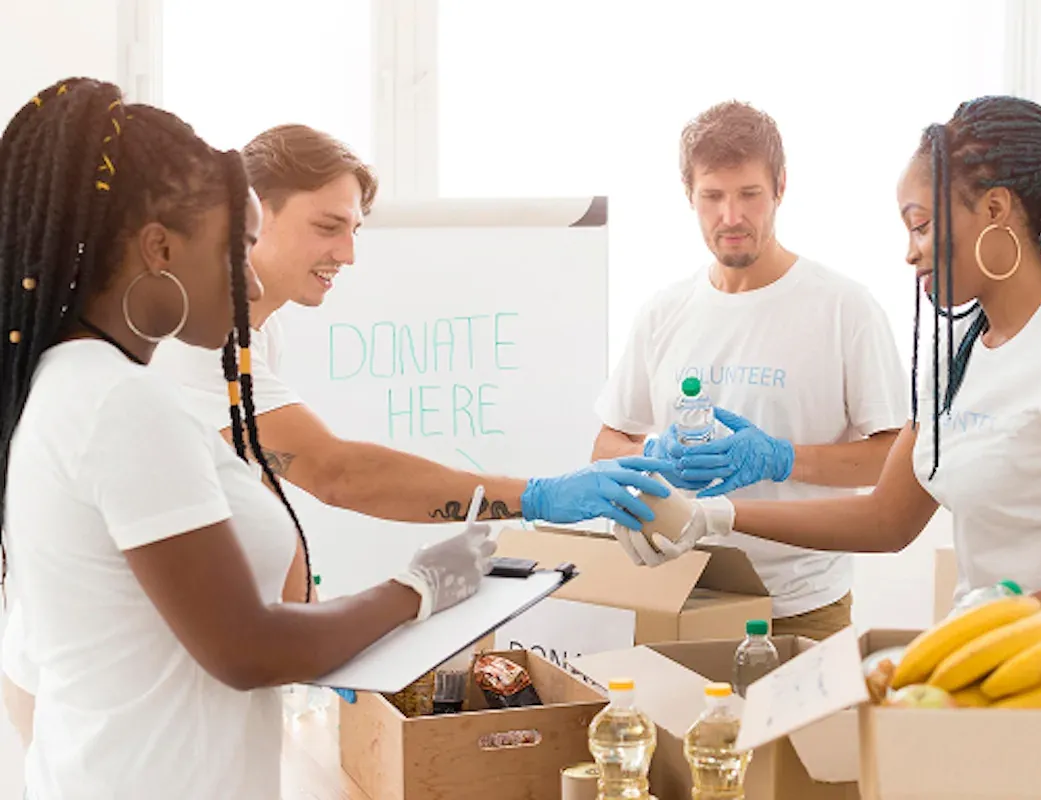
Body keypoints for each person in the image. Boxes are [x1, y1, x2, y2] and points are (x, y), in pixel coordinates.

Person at [0, 76, 531, 799]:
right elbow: (247, 647)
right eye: (237, 249)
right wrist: (421, 589)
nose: (251, 284)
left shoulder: (74, 381)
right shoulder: (121, 405)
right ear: (158, 247)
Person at [616, 95, 1041, 657]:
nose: (909, 253)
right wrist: (714, 514)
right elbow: (886, 518)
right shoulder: (957, 356)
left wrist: (1006, 636)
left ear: (993, 211)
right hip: (1000, 659)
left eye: (921, 226)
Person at [149, 124, 668, 605]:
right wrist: (534, 496)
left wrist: (303, 625)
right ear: (252, 213)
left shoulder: (259, 333)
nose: (347, 254)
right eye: (329, 227)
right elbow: (335, 473)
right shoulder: (197, 339)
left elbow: (259, 495)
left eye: (354, 230)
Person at [593, 100, 908, 641]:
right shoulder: (664, 312)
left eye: (749, 195)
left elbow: (890, 463)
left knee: (799, 733)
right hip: (678, 593)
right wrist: (650, 456)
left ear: (781, 187)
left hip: (800, 604)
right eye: (713, 196)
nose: (731, 217)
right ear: (689, 194)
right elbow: (606, 444)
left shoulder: (843, 308)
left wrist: (781, 459)